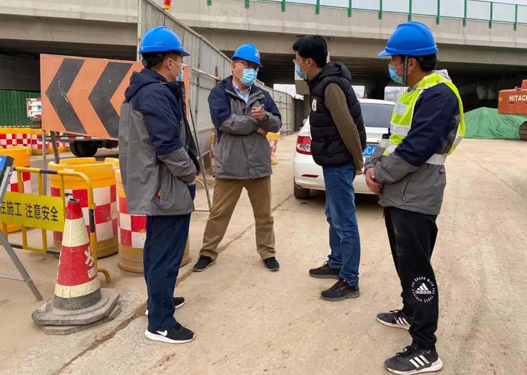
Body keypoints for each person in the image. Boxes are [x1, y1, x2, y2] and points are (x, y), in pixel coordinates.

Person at [365, 21, 465, 374]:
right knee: (403, 261)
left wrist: (380, 174)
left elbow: (416, 149)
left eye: (394, 59)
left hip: (417, 195)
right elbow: (391, 138)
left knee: (418, 269)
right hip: (399, 193)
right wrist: (372, 166)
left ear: (411, 61)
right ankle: (410, 312)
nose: (391, 65)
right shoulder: (412, 93)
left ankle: (426, 347)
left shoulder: (438, 94)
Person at [119, 26, 200, 344]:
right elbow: (167, 146)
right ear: (169, 61)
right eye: (180, 58)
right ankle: (161, 323)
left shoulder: (147, 89)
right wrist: (190, 174)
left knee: (157, 249)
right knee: (166, 254)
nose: (181, 65)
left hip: (159, 183)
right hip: (166, 184)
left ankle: (159, 301)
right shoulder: (155, 94)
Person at [192, 44, 282, 273]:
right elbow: (224, 122)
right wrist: (256, 124)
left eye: (255, 67)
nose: (251, 70)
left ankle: (268, 252)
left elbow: (277, 123)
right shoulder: (219, 93)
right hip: (230, 165)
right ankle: (207, 252)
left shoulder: (262, 95)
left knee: (264, 215)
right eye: (247, 65)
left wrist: (265, 118)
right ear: (233, 66)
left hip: (258, 165)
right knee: (219, 213)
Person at [293, 35, 366, 301]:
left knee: (344, 221)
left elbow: (347, 126)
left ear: (309, 61)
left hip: (340, 161)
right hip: (332, 160)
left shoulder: (330, 85)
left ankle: (349, 280)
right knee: (333, 214)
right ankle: (336, 262)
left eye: (298, 59)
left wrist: (357, 161)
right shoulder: (321, 84)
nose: (296, 63)